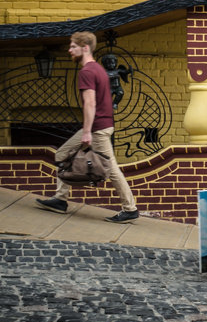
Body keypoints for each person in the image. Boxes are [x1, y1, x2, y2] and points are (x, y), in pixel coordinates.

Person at [37, 31, 139, 223]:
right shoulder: (98, 69)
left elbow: (90, 103)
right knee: (62, 154)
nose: (70, 50)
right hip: (101, 125)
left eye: (73, 46)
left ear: (85, 48)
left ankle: (130, 208)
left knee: (110, 168)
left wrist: (86, 132)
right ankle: (60, 199)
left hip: (96, 128)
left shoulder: (87, 71)